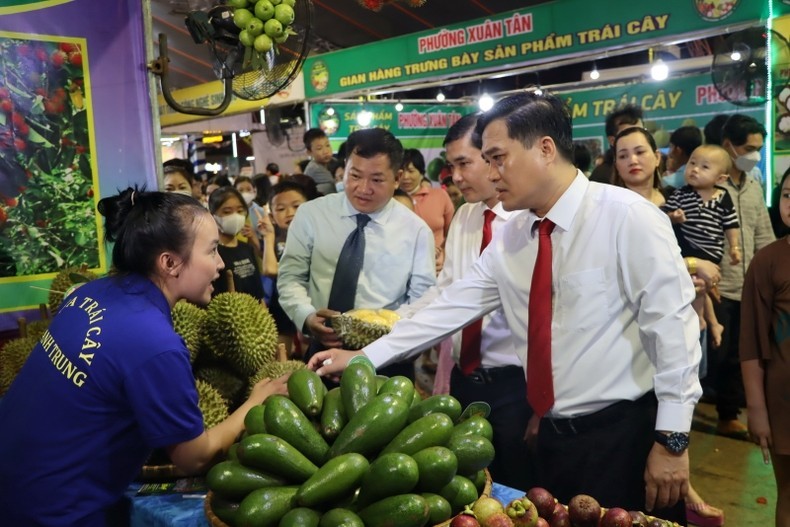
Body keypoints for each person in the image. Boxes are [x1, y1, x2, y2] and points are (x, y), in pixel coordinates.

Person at [309, 92, 700, 522]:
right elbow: (451, 306)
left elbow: (674, 332)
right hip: (552, 439)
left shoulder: (627, 218)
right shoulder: (515, 237)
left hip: (622, 436)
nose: (491, 173)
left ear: (545, 149)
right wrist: (364, 357)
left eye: (498, 158)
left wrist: (672, 440)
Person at [0, 189, 288, 526]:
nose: (221, 263)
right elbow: (191, 458)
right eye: (211, 251)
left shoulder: (89, 293)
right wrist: (255, 401)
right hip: (55, 510)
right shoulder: (155, 344)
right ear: (169, 262)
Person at [395, 113, 533, 491]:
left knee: (517, 487)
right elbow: (449, 292)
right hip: (465, 380)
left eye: (463, 164)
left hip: (515, 387)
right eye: (450, 165)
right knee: (470, 486)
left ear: (492, 159)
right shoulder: (467, 218)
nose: (454, 177)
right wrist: (396, 321)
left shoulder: (528, 222)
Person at [612, 127, 725, 527]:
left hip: (682, 315)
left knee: (678, 393)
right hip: (629, 329)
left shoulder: (678, 203)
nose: (632, 161)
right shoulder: (612, 210)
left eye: (640, 151)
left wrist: (698, 273)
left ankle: (682, 483)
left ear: (659, 157)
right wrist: (694, 266)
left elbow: (703, 252)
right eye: (622, 154)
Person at [277, 127, 436, 378]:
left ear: (397, 177)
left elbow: (423, 297)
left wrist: (383, 327)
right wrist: (307, 317)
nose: (363, 188)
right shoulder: (311, 216)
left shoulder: (415, 231)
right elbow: (290, 277)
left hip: (386, 357)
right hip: (323, 349)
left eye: (376, 179)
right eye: (355, 175)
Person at [710, 114, 774, 438]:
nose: (755, 155)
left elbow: (763, 232)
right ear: (728, 146)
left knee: (741, 353)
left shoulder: (754, 184)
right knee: (719, 355)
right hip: (718, 286)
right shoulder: (709, 187)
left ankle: (728, 414)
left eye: (759, 148)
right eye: (749, 148)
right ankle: (720, 411)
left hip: (750, 284)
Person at [740, 167, 790, 527]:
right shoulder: (767, 261)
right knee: (789, 492)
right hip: (784, 402)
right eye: (788, 195)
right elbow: (753, 341)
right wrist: (757, 410)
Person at [260, 181, 312, 357]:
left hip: (310, 303)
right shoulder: (274, 238)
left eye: (296, 206)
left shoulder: (316, 236)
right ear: (272, 215)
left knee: (309, 349)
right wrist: (268, 236)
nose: (290, 213)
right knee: (281, 353)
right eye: (281, 209)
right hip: (280, 305)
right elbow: (269, 269)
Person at [400, 148, 455, 273]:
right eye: (401, 171)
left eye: (411, 171)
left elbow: (451, 234)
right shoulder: (390, 199)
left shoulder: (440, 196)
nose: (405, 177)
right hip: (404, 267)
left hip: (438, 266)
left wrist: (443, 257)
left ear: (421, 172)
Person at [208, 186, 265, 300]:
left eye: (240, 211)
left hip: (255, 315)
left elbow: (259, 295)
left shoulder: (247, 248)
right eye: (227, 211)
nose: (235, 216)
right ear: (213, 215)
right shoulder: (212, 253)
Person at [589, 103, 644, 184]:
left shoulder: (648, 166)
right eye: (628, 133)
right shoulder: (601, 177)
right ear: (612, 140)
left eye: (641, 132)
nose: (636, 138)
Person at [302, 128, 337, 195]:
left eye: (327, 145)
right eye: (319, 148)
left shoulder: (334, 161)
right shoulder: (314, 168)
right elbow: (336, 184)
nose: (326, 151)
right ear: (309, 152)